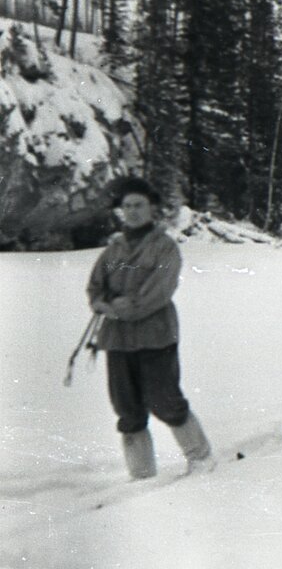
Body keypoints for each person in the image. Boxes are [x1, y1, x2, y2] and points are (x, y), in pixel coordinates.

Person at [85, 177, 214, 479]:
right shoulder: (113, 249)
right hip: (117, 339)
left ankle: (200, 457)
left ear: (152, 207)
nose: (132, 211)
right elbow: (95, 288)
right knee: (126, 407)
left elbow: (159, 290)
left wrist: (120, 308)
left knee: (164, 398)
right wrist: (102, 305)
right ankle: (141, 473)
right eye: (127, 206)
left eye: (139, 205)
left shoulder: (164, 247)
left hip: (155, 335)